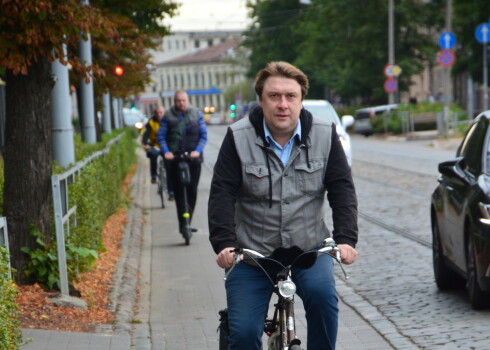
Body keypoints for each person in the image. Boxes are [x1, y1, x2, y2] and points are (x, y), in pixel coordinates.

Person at [208, 61, 358, 350]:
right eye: (274, 96)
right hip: (252, 254)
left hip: (310, 250)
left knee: (325, 303)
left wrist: (346, 239)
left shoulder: (326, 135)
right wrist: (224, 243)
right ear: (261, 101)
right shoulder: (238, 137)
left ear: (301, 101)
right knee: (244, 334)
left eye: (291, 96)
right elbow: (221, 193)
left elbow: (342, 188)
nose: (283, 104)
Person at [157, 90, 207, 235]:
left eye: (183, 100)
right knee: (179, 192)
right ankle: (182, 224)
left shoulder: (196, 114)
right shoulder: (168, 116)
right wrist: (166, 152)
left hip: (193, 159)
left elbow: (203, 135)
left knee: (192, 190)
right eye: (178, 100)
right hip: (175, 159)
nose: (181, 103)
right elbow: (161, 136)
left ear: (188, 100)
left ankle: (188, 221)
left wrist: (197, 151)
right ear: (174, 101)